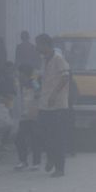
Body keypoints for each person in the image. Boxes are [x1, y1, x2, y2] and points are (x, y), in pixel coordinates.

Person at [35, 34, 70, 178]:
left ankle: (59, 167)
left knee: (57, 137)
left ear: (45, 44)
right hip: (44, 104)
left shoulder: (58, 59)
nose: (37, 47)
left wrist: (54, 94)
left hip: (57, 105)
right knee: (43, 134)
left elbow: (65, 77)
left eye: (38, 44)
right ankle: (50, 158)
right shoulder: (44, 60)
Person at [14, 64, 42, 171]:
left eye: (20, 73)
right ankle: (23, 161)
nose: (18, 75)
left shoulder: (33, 82)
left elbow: (39, 94)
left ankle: (36, 163)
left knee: (35, 139)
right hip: (23, 116)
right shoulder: (20, 84)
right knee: (19, 139)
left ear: (24, 73)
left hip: (34, 116)